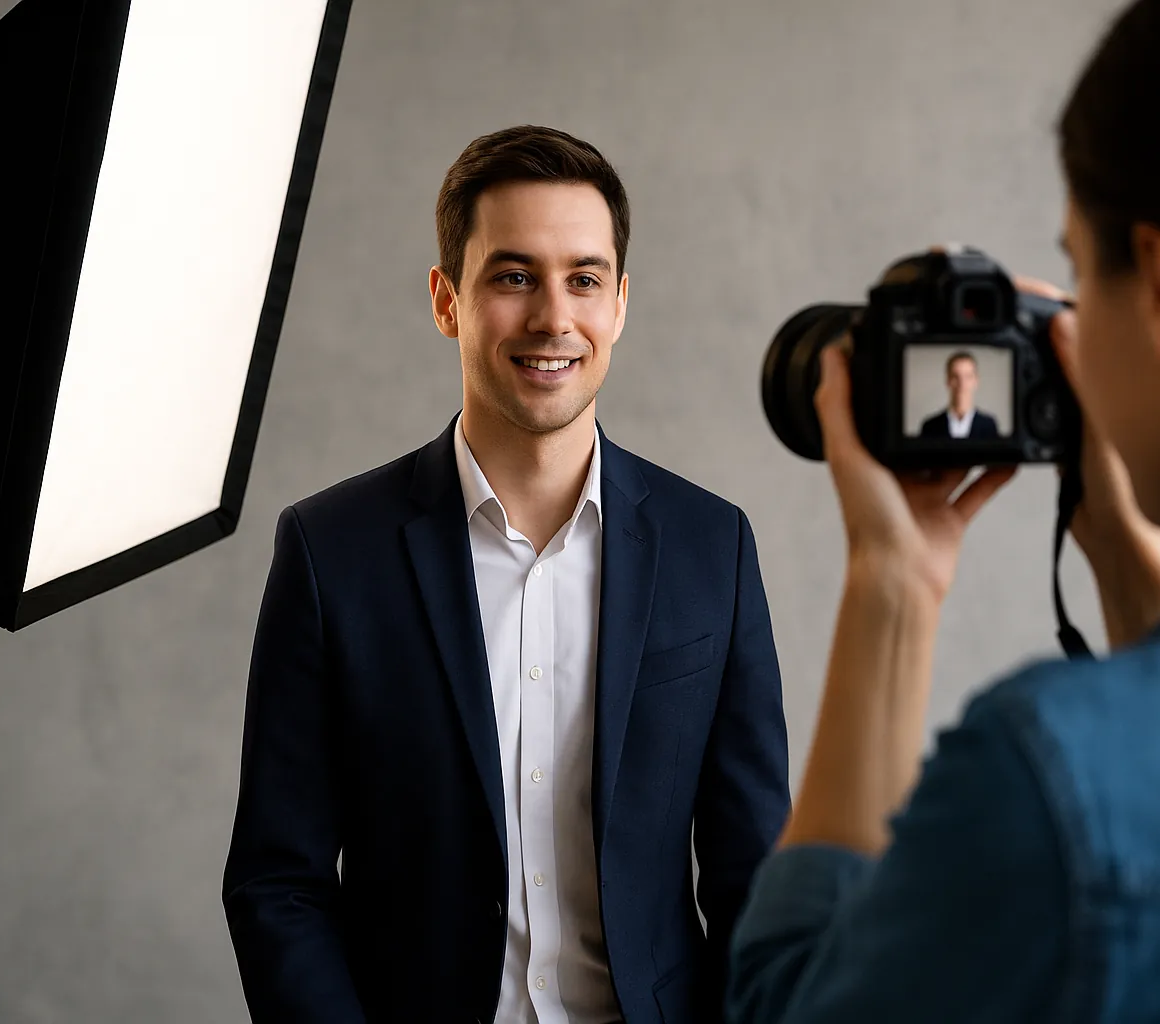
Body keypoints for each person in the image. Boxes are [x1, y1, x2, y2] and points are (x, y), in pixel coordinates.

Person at [724, 0, 1160, 1020]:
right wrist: (1150, 582)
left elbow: (802, 1001)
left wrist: (895, 587)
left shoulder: (1054, 789)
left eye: (1076, 271)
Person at [223, 125, 791, 1024]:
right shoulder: (331, 552)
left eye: (585, 279)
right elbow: (277, 882)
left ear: (621, 303)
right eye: (514, 276)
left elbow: (754, 877)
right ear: (448, 300)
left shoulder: (710, 547)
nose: (553, 318)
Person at [917, 351, 1001, 439]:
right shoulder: (930, 427)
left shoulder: (989, 426)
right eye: (955, 377)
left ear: (976, 381)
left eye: (968, 377)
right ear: (948, 381)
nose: (962, 383)